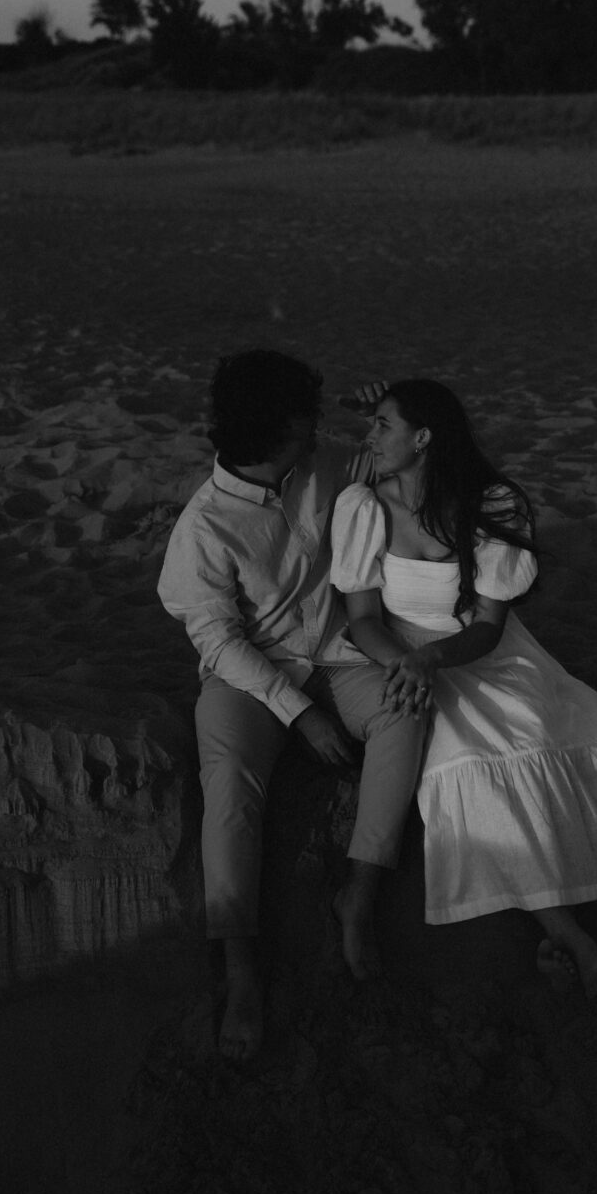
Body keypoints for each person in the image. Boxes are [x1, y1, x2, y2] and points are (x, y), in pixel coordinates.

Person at [330, 380, 597, 999]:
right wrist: (407, 666)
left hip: (478, 650)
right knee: (465, 754)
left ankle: (566, 930)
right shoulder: (364, 507)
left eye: (383, 426)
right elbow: (362, 620)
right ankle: (571, 937)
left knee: (527, 730)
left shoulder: (491, 504)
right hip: (404, 652)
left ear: (423, 438)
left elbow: (490, 627)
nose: (370, 437)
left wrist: (435, 658)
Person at [158, 351, 426, 1062]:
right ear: (276, 431)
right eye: (306, 419)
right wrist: (296, 712)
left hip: (339, 654)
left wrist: (389, 403)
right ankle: (242, 973)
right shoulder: (204, 527)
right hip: (249, 676)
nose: (317, 430)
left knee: (405, 711)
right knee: (230, 784)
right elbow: (218, 640)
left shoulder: (324, 464)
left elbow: (408, 463)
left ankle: (358, 897)